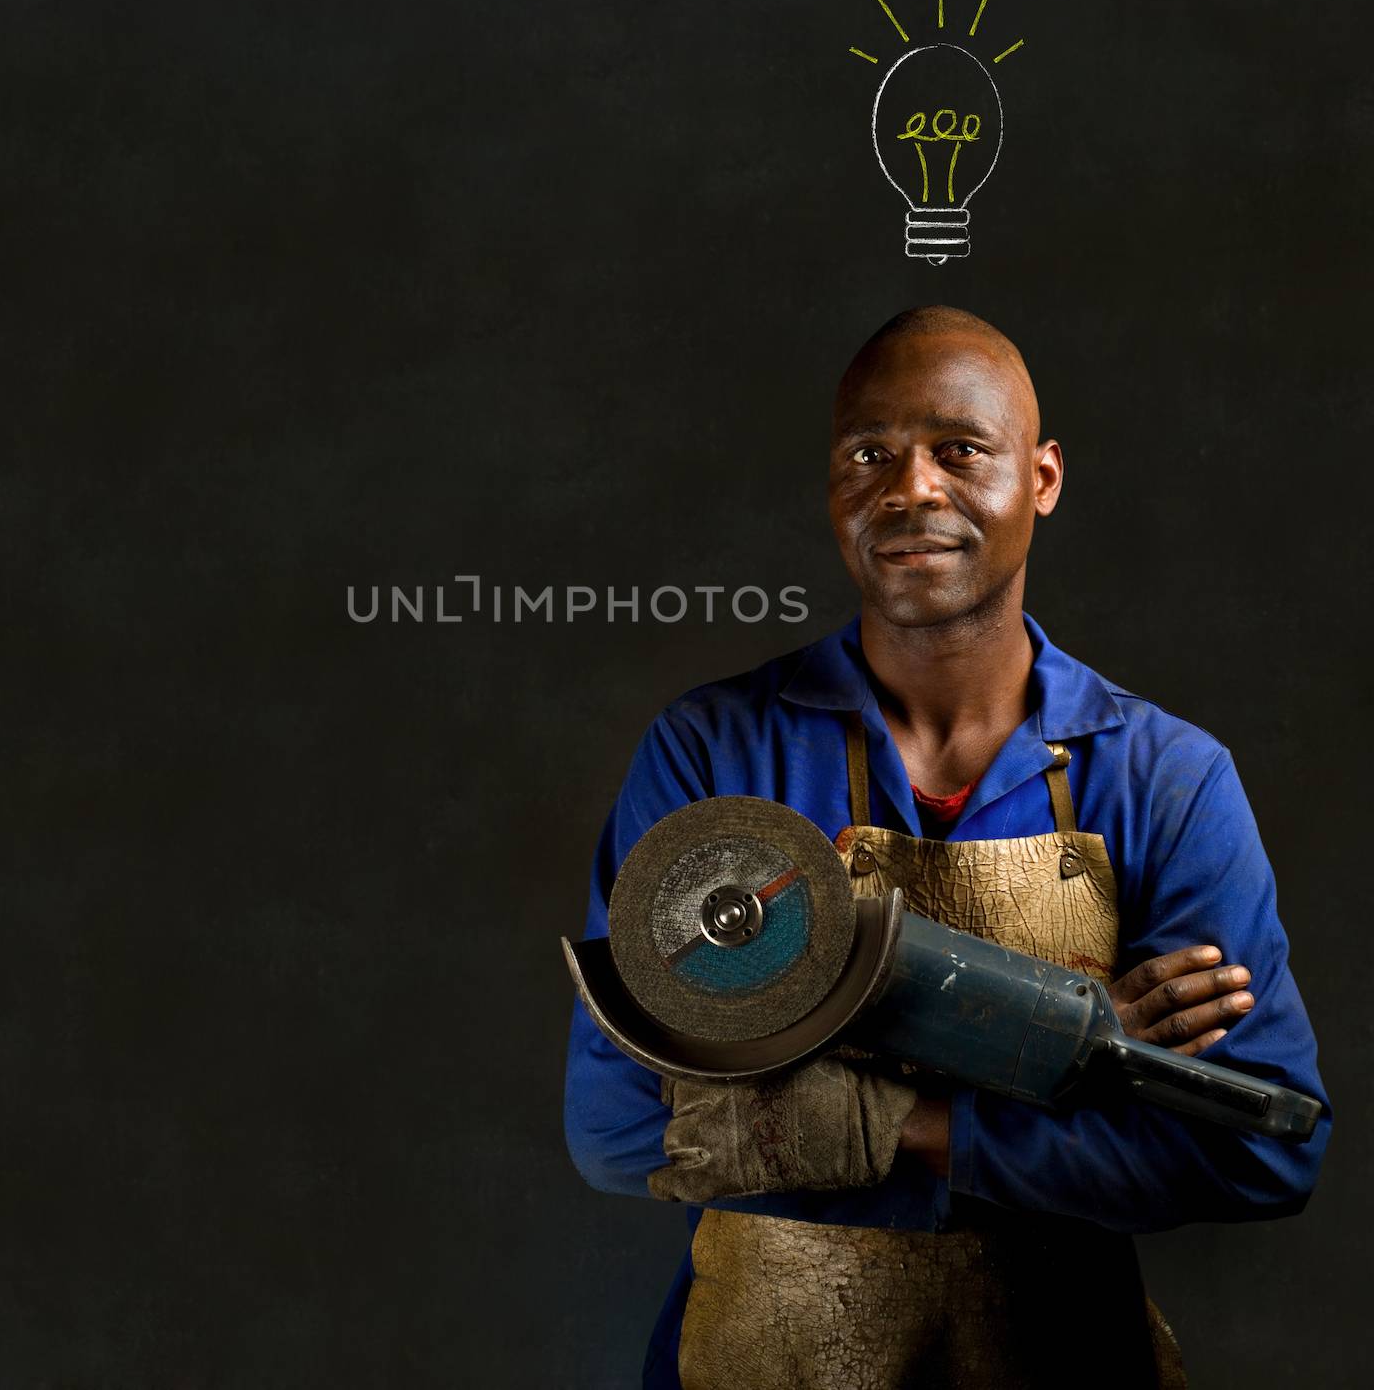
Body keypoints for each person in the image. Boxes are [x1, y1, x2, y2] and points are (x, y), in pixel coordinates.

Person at [562, 306, 1330, 1390]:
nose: (909, 488)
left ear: (1043, 477)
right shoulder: (709, 751)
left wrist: (885, 1121)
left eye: (959, 451)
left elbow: (1261, 1143)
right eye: (868, 453)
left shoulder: (1165, 778)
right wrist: (1065, 1058)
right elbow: (619, 1127)